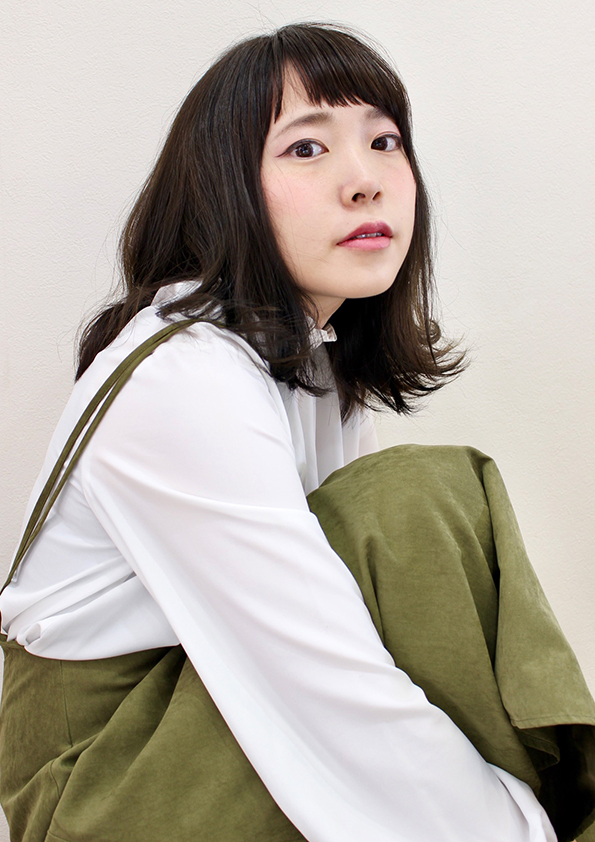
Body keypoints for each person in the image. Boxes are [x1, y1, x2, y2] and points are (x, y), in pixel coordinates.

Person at [0, 21, 593, 842]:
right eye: (306, 148)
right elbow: (317, 677)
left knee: (405, 514)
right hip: (95, 781)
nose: (365, 181)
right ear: (223, 189)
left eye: (384, 141)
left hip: (184, 722)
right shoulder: (184, 376)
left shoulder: (309, 362)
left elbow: (356, 643)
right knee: (418, 502)